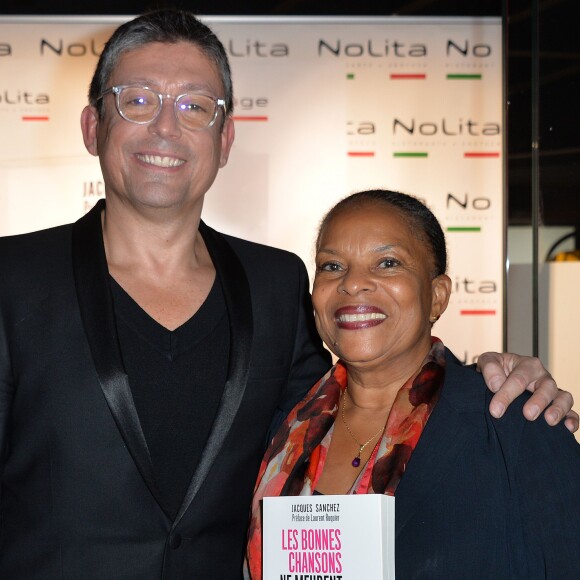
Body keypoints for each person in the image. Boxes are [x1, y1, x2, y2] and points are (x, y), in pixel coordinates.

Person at [0, 9, 576, 580]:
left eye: (194, 107)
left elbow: (352, 404)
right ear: (93, 126)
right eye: (138, 100)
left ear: (225, 139)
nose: (166, 128)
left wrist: (501, 376)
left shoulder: (273, 284)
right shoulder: (13, 279)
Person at [245, 189, 580, 579]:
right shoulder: (279, 427)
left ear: (437, 297)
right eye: (332, 266)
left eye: (387, 263)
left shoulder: (512, 425)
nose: (353, 284)